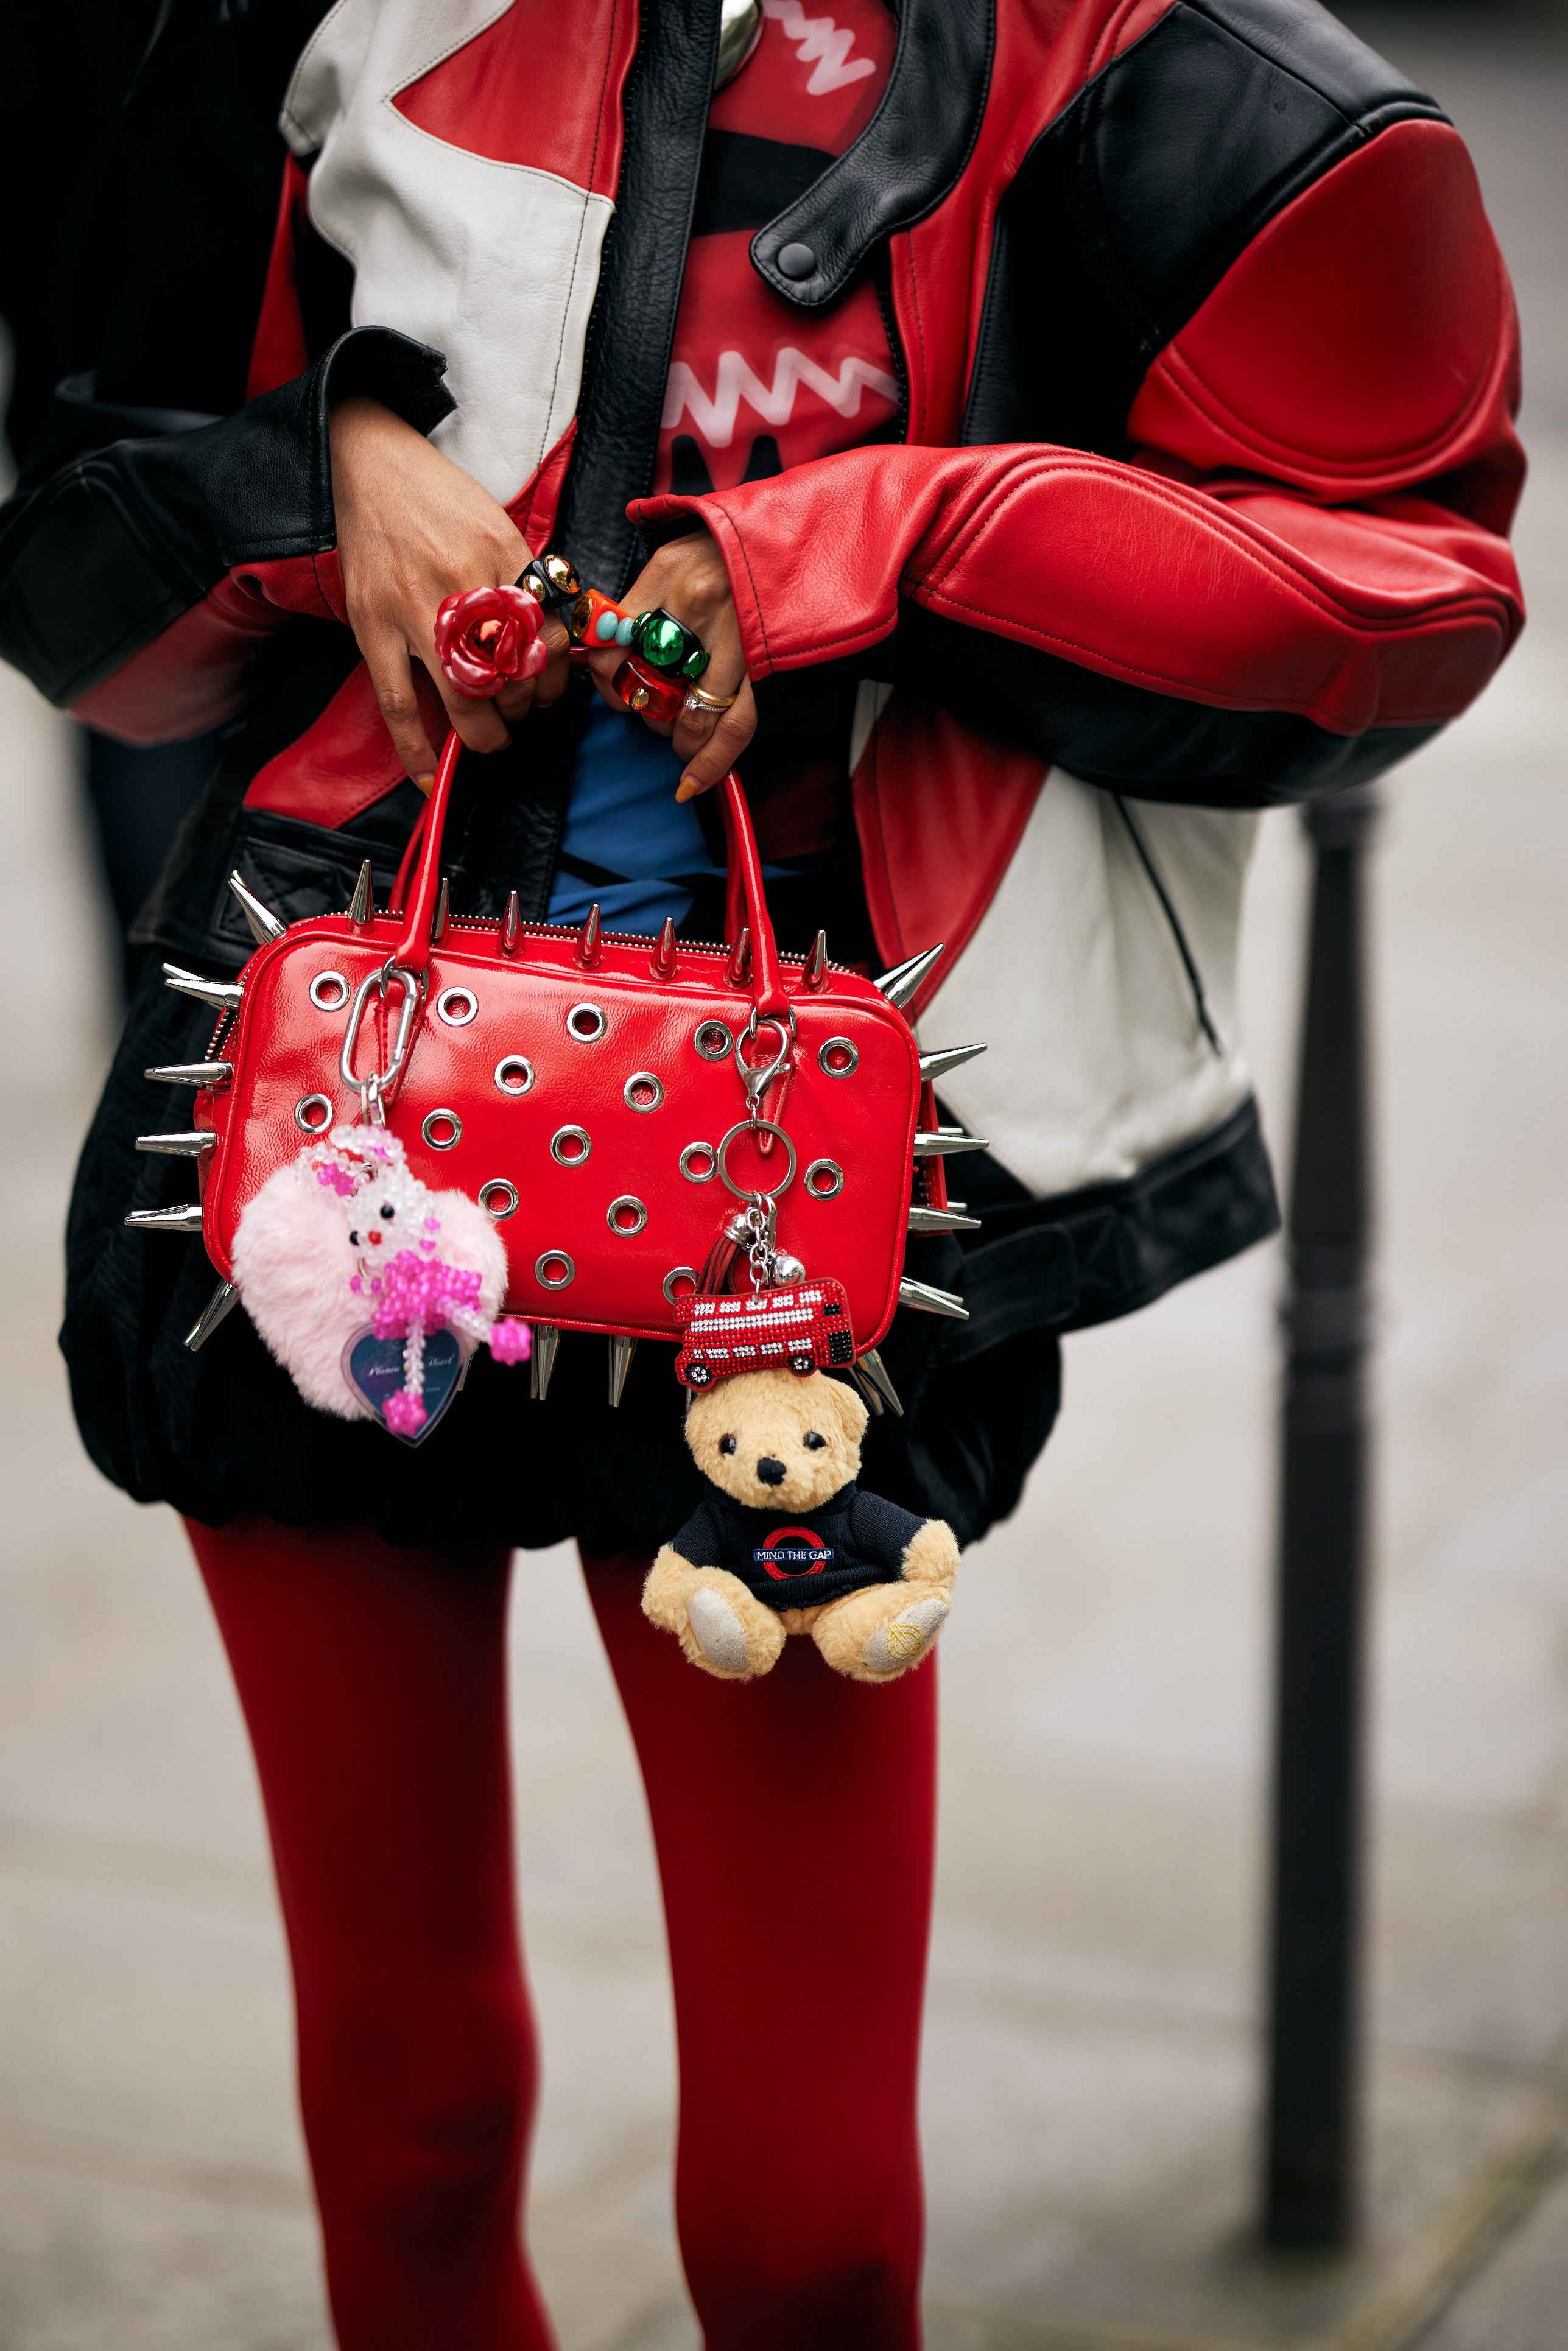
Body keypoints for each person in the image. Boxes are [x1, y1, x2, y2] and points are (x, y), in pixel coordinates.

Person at [0, 1, 1524, 2344]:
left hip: (789, 1213)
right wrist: (348, 467)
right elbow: (94, 533)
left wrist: (861, 543)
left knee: (817, 2234)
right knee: (409, 2123)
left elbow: (1409, 574)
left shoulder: (1109, 50)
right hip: (339, 1142)